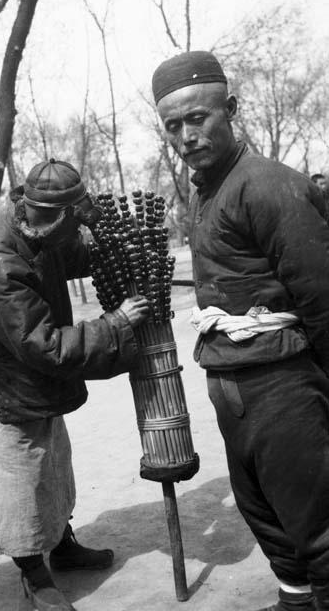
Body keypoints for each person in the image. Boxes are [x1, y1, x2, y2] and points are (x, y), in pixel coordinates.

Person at [152, 50, 329, 611]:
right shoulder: (208, 190)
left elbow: (323, 301)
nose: (186, 135)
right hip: (232, 387)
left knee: (317, 522)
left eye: (197, 117)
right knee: (267, 517)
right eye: (172, 125)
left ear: (230, 109)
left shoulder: (270, 187)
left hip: (281, 383)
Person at [0, 158, 149, 611]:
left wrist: (102, 229)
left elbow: (78, 254)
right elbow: (42, 345)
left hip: (26, 375)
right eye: (71, 226)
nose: (72, 238)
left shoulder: (40, 230)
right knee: (19, 477)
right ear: (53, 218)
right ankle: (33, 575)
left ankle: (62, 544)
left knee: (53, 462)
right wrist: (114, 324)